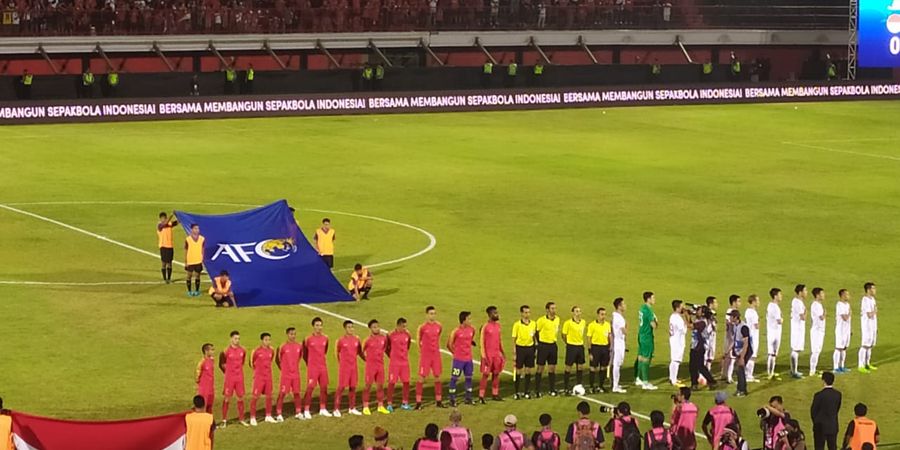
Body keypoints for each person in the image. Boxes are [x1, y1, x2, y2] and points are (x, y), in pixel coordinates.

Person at [303, 317, 332, 418]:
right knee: (310, 387)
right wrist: (309, 363)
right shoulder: (308, 339)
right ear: (313, 326)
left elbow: (325, 351)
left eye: (320, 325)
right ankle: (306, 410)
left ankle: (323, 408)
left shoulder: (326, 338)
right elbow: (304, 353)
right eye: (317, 325)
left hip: (322, 367)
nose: (319, 327)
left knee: (324, 388)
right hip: (313, 368)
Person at [417, 306, 445, 409]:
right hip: (426, 356)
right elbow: (418, 340)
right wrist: (422, 352)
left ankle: (439, 401)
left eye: (434, 313)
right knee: (421, 378)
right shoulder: (422, 327)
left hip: (436, 355)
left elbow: (438, 336)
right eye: (431, 313)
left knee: (437, 377)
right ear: (427, 315)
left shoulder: (439, 326)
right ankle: (418, 402)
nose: (433, 315)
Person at [334, 320, 363, 417]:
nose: (351, 329)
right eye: (349, 327)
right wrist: (341, 364)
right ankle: (336, 409)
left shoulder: (357, 339)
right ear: (345, 328)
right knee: (341, 387)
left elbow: (360, 352)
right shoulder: (340, 340)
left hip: (353, 367)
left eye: (352, 327)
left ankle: (352, 408)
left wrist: (367, 360)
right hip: (344, 368)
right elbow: (336, 353)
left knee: (353, 387)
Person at [218, 330, 247, 427]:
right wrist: (227, 373)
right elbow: (221, 364)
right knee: (227, 398)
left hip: (239, 378)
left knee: (240, 398)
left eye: (238, 339)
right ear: (231, 339)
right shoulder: (225, 351)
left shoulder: (243, 350)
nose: (237, 340)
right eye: (235, 338)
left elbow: (242, 362)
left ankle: (242, 419)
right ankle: (224, 420)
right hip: (230, 379)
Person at [447, 311, 476, 406]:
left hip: (469, 360)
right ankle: (452, 399)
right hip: (458, 360)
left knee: (469, 378)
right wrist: (455, 354)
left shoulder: (472, 329)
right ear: (464, 320)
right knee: (454, 379)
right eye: (469, 319)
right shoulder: (456, 331)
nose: (471, 320)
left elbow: (471, 339)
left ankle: (468, 398)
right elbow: (449, 344)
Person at [275, 327, 303, 421]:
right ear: (287, 335)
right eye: (291, 334)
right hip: (286, 375)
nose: (293, 336)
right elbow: (277, 360)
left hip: (295, 375)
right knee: (282, 393)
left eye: (294, 334)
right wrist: (283, 369)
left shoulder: (299, 346)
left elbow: (299, 358)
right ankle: (279, 414)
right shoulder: (282, 346)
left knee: (297, 393)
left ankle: (298, 412)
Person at [363, 319, 390, 415]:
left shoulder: (383, 338)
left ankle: (380, 406)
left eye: (378, 326)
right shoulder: (367, 340)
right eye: (374, 327)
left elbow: (385, 348)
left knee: (380, 386)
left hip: (380, 366)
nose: (377, 329)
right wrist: (366, 360)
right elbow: (361, 351)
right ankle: (366, 406)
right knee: (368, 386)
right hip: (370, 367)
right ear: (370, 329)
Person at [479, 306, 505, 403]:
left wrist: (502, 353)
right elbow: (481, 342)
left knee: (496, 374)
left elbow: (499, 341)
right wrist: (483, 356)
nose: (497, 314)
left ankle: (495, 394)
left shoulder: (498, 326)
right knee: (485, 375)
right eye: (495, 313)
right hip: (488, 355)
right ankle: (481, 396)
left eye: (497, 313)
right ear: (490, 314)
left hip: (496, 355)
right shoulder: (485, 326)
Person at [535, 301, 561, 397]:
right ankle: (537, 390)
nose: (554, 310)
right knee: (540, 368)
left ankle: (552, 389)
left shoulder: (557, 319)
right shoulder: (541, 320)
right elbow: (536, 332)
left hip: (553, 346)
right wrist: (539, 343)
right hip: (543, 346)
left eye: (555, 308)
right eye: (552, 308)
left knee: (552, 368)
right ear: (547, 310)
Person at [249, 332, 276, 426]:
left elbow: (271, 360)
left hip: (268, 377)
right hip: (259, 377)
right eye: (266, 340)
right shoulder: (256, 351)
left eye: (269, 340)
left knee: (269, 396)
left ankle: (268, 415)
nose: (268, 342)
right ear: (262, 341)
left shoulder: (272, 350)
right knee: (255, 397)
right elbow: (251, 363)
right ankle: (252, 417)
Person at [810, 372, 841, 450]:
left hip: (820, 426)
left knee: (819, 447)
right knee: (832, 447)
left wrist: (816, 421)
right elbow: (837, 408)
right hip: (832, 426)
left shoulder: (818, 395)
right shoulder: (838, 394)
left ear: (823, 380)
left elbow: (813, 411)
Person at [387, 317, 413, 411]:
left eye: (405, 326)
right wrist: (392, 356)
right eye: (403, 326)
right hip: (394, 363)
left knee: (406, 382)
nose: (404, 328)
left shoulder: (407, 334)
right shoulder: (390, 335)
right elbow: (387, 347)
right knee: (392, 382)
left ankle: (405, 403)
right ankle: (389, 404)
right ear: (398, 325)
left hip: (405, 363)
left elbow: (408, 346)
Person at [512, 304, 537, 399]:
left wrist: (535, 349)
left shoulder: (533, 324)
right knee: (518, 371)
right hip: (520, 348)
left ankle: (526, 391)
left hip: (530, 348)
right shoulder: (517, 324)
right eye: (525, 312)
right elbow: (514, 339)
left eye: (529, 312)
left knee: (528, 370)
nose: (527, 314)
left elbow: (534, 337)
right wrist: (514, 352)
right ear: (521, 313)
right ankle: (516, 392)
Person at [636, 291, 659, 390]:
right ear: (648, 299)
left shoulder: (642, 308)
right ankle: (645, 382)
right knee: (646, 358)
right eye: (653, 298)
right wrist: (656, 322)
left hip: (641, 335)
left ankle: (638, 378)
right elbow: (653, 325)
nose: (654, 300)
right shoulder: (648, 311)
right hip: (647, 336)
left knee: (640, 357)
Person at [689, 307, 716, 390]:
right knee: (694, 367)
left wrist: (686, 315)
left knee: (699, 367)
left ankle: (711, 381)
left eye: (699, 311)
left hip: (698, 347)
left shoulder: (702, 323)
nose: (696, 312)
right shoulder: (702, 321)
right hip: (696, 346)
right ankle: (695, 384)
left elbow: (690, 326)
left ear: (703, 314)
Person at [562, 306, 587, 394]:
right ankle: (566, 386)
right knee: (568, 366)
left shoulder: (583, 322)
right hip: (571, 346)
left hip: (580, 346)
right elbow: (564, 335)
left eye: (579, 311)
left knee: (580, 366)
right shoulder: (567, 323)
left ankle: (579, 384)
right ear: (573, 313)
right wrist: (568, 343)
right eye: (576, 311)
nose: (578, 313)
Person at [587, 307, 612, 393]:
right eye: (602, 314)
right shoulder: (592, 325)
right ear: (598, 315)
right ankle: (591, 386)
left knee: (603, 367)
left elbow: (609, 336)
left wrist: (610, 347)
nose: (603, 316)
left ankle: (601, 386)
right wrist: (590, 351)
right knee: (593, 368)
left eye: (604, 314)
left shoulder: (607, 325)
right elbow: (589, 338)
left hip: (605, 348)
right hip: (595, 348)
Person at [729, 310, 751, 396]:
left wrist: (742, 357)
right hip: (739, 351)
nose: (730, 318)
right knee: (738, 370)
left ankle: (742, 390)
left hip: (745, 351)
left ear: (735, 317)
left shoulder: (743, 327)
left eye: (731, 316)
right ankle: (740, 389)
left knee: (740, 370)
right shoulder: (736, 326)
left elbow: (746, 343)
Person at [858, 282, 878, 373]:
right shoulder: (865, 300)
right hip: (867, 326)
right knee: (865, 345)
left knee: (870, 346)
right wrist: (874, 311)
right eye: (873, 289)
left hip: (872, 326)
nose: (875, 290)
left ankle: (867, 363)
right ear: (869, 290)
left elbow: (874, 314)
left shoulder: (873, 299)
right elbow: (870, 314)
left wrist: (876, 327)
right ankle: (861, 365)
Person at [722, 295, 742, 384]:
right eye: (738, 301)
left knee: (729, 357)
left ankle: (724, 374)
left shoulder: (732, 311)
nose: (740, 303)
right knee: (732, 358)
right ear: (734, 302)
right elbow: (728, 323)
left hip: (730, 337)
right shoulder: (731, 312)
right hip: (730, 338)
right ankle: (728, 377)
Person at [790, 284, 808, 379]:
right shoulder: (798, 302)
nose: (806, 293)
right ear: (800, 292)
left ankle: (794, 370)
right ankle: (794, 372)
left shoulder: (798, 302)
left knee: (796, 349)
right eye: (805, 291)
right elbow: (803, 317)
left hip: (798, 328)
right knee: (795, 349)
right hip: (797, 329)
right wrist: (806, 312)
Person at [192, 343, 216, 416]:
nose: (213, 352)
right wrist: (200, 385)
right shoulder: (202, 362)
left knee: (210, 406)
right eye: (212, 350)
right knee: (203, 407)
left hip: (211, 388)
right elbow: (197, 375)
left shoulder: (212, 360)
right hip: (204, 389)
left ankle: (210, 423)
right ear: (206, 351)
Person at [668, 300, 688, 387]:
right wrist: (686, 323)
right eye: (682, 306)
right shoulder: (677, 318)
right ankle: (673, 380)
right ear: (678, 307)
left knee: (674, 360)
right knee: (675, 361)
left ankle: (673, 378)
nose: (683, 308)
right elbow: (683, 330)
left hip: (675, 340)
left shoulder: (673, 316)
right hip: (677, 341)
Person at [611, 298, 628, 393]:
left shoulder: (617, 316)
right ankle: (615, 386)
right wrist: (626, 329)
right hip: (619, 342)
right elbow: (624, 330)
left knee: (618, 363)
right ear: (619, 306)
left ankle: (616, 384)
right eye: (623, 304)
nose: (625, 306)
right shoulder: (618, 318)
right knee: (617, 364)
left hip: (619, 342)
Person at [767, 288, 784, 380]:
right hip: (775, 332)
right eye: (780, 295)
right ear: (775, 296)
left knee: (772, 353)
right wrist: (782, 319)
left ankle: (771, 372)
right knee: (772, 353)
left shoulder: (770, 305)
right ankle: (770, 373)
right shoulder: (775, 307)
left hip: (772, 331)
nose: (781, 296)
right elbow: (779, 321)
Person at [833, 289, 851, 373]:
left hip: (846, 330)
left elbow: (848, 320)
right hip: (840, 330)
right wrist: (849, 313)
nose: (848, 296)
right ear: (842, 295)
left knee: (844, 348)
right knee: (838, 348)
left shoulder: (847, 304)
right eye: (846, 294)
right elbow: (845, 318)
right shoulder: (839, 305)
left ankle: (842, 366)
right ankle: (836, 367)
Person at [809, 288, 827, 376]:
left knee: (818, 350)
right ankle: (812, 371)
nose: (824, 295)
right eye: (822, 293)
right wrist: (824, 314)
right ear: (817, 295)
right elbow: (821, 317)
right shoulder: (815, 305)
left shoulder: (818, 305)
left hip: (820, 330)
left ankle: (814, 369)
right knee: (815, 351)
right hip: (816, 331)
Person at [184, 224, 205, 297]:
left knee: (197, 276)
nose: (197, 230)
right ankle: (189, 291)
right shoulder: (188, 239)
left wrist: (202, 258)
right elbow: (186, 250)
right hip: (190, 260)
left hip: (198, 260)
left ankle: (197, 291)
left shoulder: (202, 239)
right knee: (189, 276)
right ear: (192, 229)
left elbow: (203, 249)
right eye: (195, 228)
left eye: (198, 229)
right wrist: (186, 261)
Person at [156, 211, 178, 283]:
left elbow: (176, 222)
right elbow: (165, 224)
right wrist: (171, 215)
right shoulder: (159, 226)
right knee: (164, 263)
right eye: (162, 218)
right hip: (163, 246)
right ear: (160, 219)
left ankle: (169, 278)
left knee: (169, 263)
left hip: (170, 246)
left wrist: (180, 216)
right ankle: (164, 279)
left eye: (164, 218)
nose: (163, 220)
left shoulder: (169, 224)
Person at [744, 295, 761, 383]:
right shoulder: (753, 313)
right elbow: (756, 325)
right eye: (757, 301)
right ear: (753, 302)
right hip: (753, 336)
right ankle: (749, 375)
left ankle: (747, 374)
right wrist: (759, 323)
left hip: (750, 335)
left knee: (749, 355)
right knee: (752, 356)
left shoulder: (747, 311)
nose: (759, 302)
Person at [704, 296, 719, 371]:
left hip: (712, 335)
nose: (717, 304)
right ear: (711, 303)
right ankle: (701, 374)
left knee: (710, 355)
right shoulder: (705, 312)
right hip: (707, 335)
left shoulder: (712, 312)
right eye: (715, 302)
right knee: (705, 355)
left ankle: (707, 372)